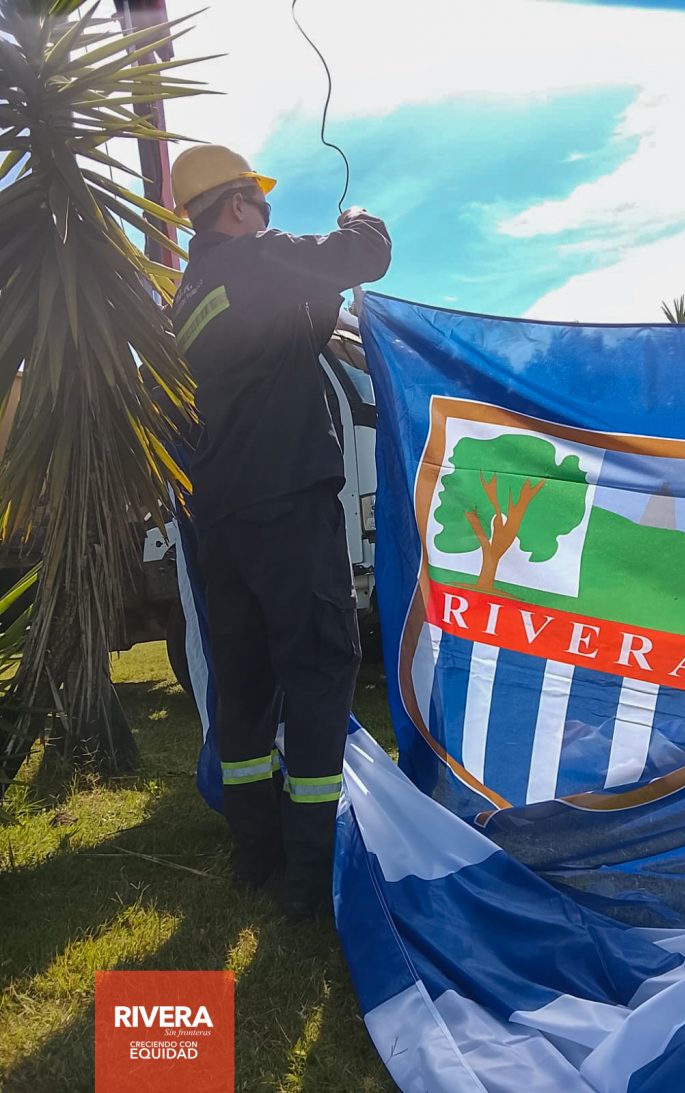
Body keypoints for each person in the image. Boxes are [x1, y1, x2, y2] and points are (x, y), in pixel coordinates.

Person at [169, 144, 392, 919]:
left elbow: (286, 338)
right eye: (260, 203)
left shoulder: (190, 296)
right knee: (320, 667)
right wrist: (357, 216)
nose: (266, 213)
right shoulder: (256, 256)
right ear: (237, 206)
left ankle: (254, 857)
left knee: (246, 686)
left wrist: (320, 296)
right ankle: (310, 876)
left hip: (222, 516)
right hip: (288, 500)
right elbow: (368, 253)